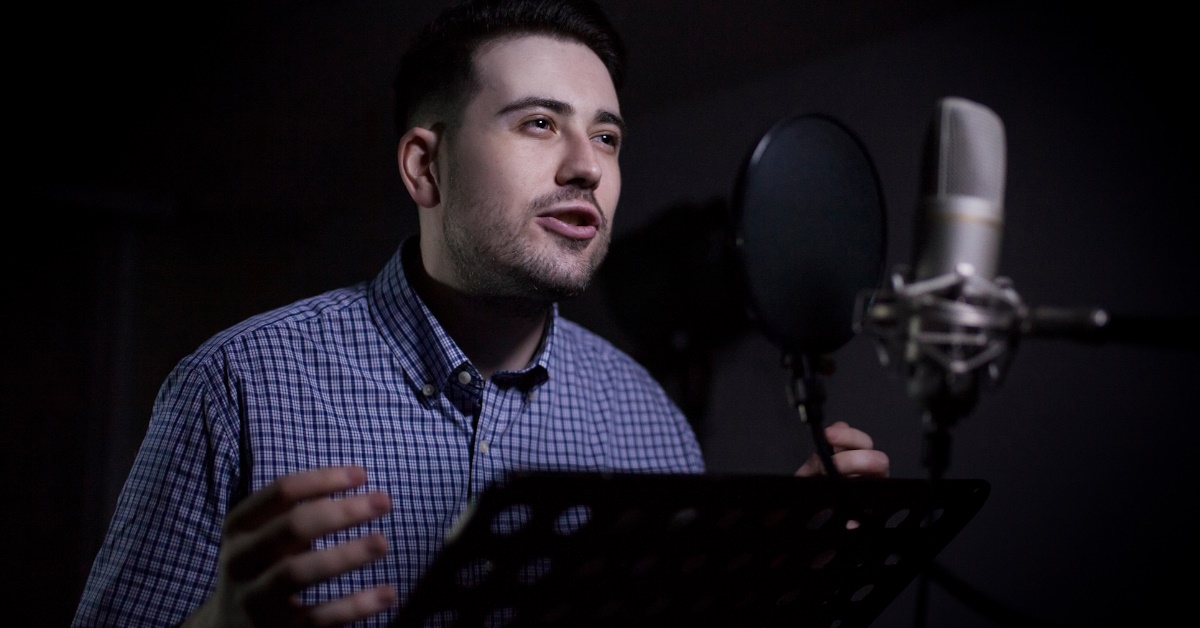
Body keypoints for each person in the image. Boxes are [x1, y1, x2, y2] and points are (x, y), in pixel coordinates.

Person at [73, 1, 890, 626]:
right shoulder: (236, 386)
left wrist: (773, 574)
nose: (587, 168)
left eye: (607, 138)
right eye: (540, 123)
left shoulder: (654, 424)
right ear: (425, 166)